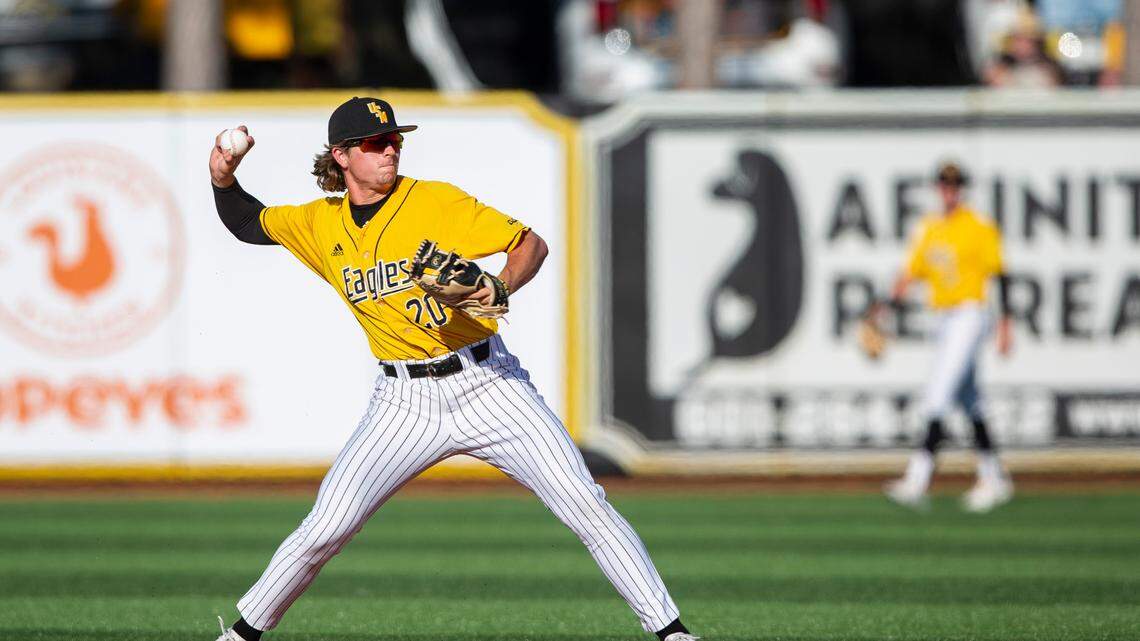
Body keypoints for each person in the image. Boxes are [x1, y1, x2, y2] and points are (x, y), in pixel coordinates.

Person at [207, 97, 698, 641]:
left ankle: (672, 633)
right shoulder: (320, 224)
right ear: (341, 156)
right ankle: (240, 636)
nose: (391, 149)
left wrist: (501, 285)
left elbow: (529, 244)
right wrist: (222, 178)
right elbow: (248, 222)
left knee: (586, 503)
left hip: (489, 384)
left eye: (396, 140)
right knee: (326, 527)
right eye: (376, 142)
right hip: (403, 402)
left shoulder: (434, 201)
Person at [882, 161, 1014, 513]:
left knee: (937, 394)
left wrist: (1006, 323)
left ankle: (917, 479)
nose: (949, 191)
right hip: (943, 318)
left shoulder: (978, 226)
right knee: (971, 402)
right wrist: (884, 308)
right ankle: (994, 478)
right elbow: (910, 274)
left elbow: (1000, 274)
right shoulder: (929, 228)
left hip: (970, 314)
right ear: (937, 188)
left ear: (962, 189)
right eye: (944, 184)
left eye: (955, 185)